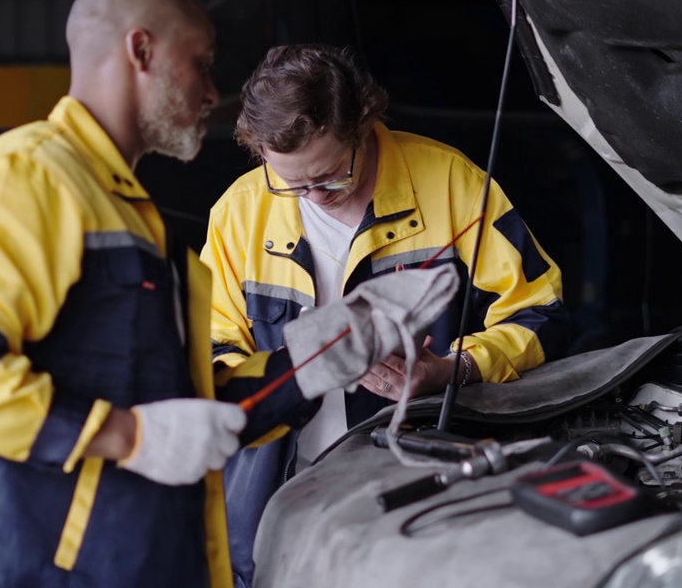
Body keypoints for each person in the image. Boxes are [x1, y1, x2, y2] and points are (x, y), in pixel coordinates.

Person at [0, 0, 458, 588]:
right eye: (202, 64)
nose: (214, 92)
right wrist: (126, 434)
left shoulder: (124, 208)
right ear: (142, 52)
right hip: (26, 566)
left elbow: (181, 409)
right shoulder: (24, 181)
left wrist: (330, 347)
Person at [202, 43, 572, 586]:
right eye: (292, 184)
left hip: (410, 486)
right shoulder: (238, 212)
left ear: (363, 124)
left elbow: (544, 312)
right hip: (272, 495)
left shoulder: (452, 185)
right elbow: (213, 348)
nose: (314, 197)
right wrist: (289, 372)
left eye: (328, 177)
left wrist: (455, 368)